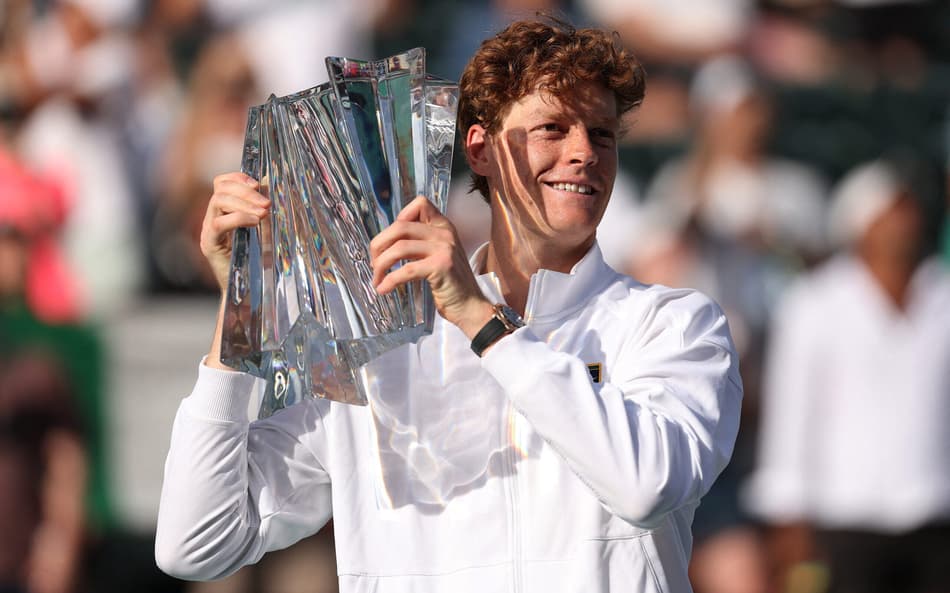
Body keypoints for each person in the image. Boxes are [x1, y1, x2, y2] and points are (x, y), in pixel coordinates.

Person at [155, 18, 742, 592]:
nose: (585, 152)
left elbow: (644, 487)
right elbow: (196, 542)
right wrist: (243, 311)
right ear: (481, 150)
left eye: (603, 133)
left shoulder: (675, 325)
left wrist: (482, 323)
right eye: (553, 129)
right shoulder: (384, 349)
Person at [744, 159, 950, 593]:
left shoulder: (942, 293)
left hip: (935, 510)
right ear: (861, 224)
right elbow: (793, 412)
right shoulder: (815, 302)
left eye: (908, 209)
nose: (903, 222)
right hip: (844, 515)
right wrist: (789, 512)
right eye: (890, 210)